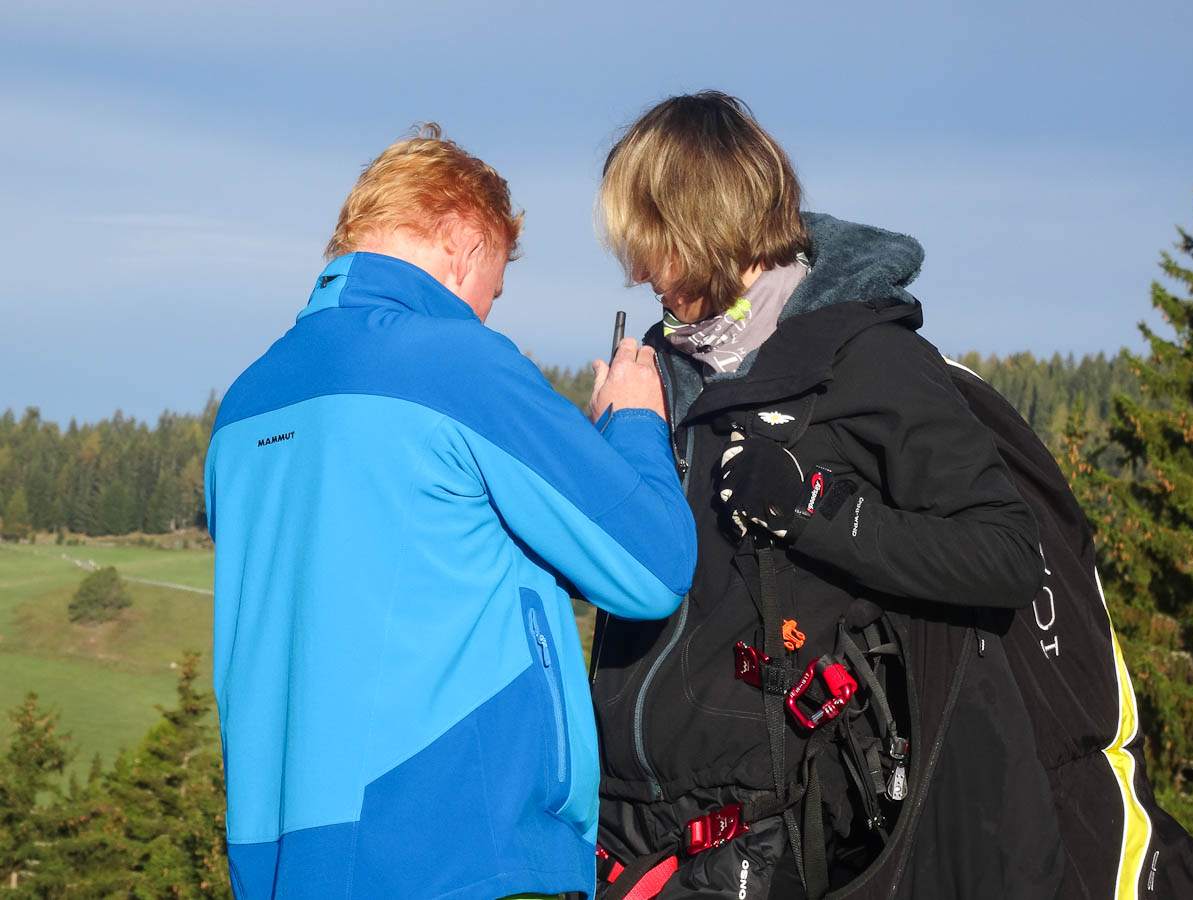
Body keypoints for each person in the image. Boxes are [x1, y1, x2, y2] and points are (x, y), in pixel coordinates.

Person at [589, 93, 1064, 898]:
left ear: (705, 223)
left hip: (774, 840)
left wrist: (814, 508)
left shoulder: (864, 359)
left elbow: (1006, 554)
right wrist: (611, 449)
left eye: (651, 244)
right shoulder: (655, 373)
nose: (638, 273)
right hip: (621, 829)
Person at [204, 125, 696, 899]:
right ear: (464, 246)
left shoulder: (244, 404)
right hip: (456, 846)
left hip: (277, 861)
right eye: (491, 293)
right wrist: (633, 421)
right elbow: (651, 566)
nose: (485, 316)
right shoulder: (456, 361)